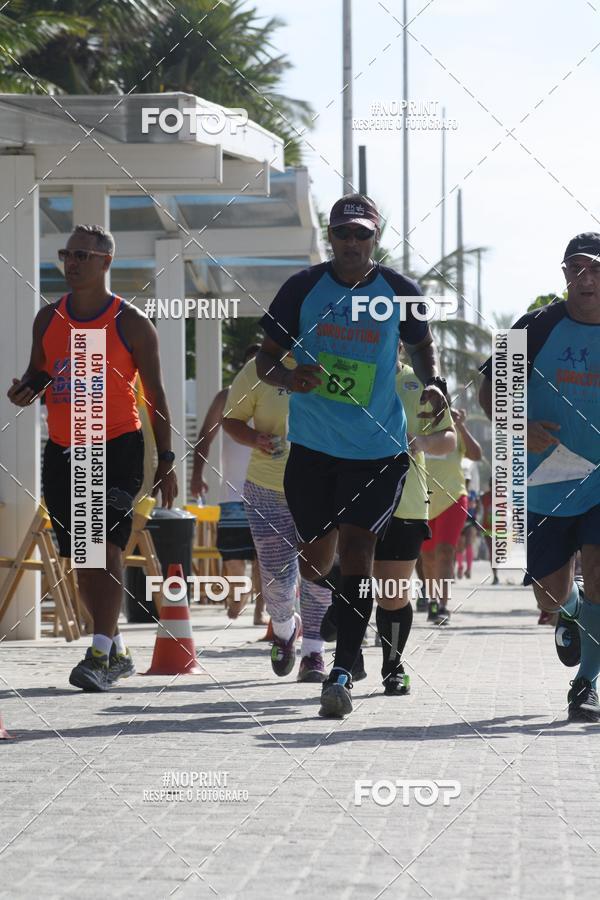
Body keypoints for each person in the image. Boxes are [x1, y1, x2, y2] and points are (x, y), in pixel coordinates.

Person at [256, 193, 447, 717]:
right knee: (316, 562)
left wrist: (433, 383)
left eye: (362, 235)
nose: (352, 244)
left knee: (360, 553)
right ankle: (307, 615)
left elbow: (423, 343)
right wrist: (291, 377)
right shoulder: (303, 288)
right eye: (343, 234)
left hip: (379, 451)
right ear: (331, 236)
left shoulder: (398, 290)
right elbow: (264, 359)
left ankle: (341, 672)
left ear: (375, 238)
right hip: (314, 449)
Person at [7, 224, 177, 691]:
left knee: (104, 546)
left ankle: (100, 651)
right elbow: (39, 373)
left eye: (82, 254)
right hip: (64, 448)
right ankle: (115, 648)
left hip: (117, 445)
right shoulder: (49, 319)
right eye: (66, 254)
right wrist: (25, 391)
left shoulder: (130, 322)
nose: (72, 262)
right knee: (82, 556)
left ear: (106, 262)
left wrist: (165, 459)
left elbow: (157, 395)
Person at [479, 232, 600, 721]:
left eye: (596, 268)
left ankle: (585, 683)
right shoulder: (535, 326)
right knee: (550, 592)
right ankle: (570, 612)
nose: (587, 278)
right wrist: (515, 424)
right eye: (578, 268)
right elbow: (490, 389)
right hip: (546, 478)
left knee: (599, 575)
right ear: (565, 273)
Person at [222, 353, 332, 681]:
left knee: (318, 571)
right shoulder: (260, 367)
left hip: (322, 483)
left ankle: (313, 652)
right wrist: (255, 438)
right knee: (275, 575)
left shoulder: (335, 360)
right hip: (267, 487)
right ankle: (285, 628)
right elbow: (231, 419)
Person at [190, 345, 265, 624]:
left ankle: (261, 611)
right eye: (251, 365)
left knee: (264, 557)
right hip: (233, 492)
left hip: (268, 490)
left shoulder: (279, 396)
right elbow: (203, 439)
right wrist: (197, 475)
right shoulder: (226, 397)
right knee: (233, 555)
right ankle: (238, 598)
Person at [420, 407, 483, 625]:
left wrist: (460, 426)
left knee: (445, 552)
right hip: (423, 500)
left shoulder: (454, 431)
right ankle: (432, 601)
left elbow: (477, 455)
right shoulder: (420, 425)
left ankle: (442, 605)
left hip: (453, 499)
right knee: (427, 558)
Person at [480, 478, 499, 585]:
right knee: (493, 552)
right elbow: (479, 511)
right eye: (493, 486)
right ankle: (495, 576)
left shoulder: (505, 497)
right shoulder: (484, 497)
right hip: (487, 529)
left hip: (503, 530)